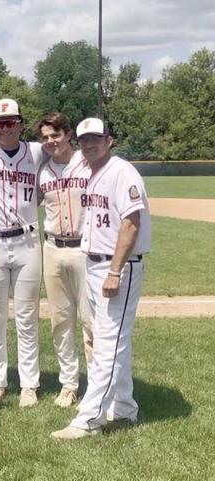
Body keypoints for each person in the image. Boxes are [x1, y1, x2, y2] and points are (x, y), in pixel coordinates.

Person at [51, 118, 151, 439]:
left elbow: (131, 223)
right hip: (94, 264)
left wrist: (115, 270)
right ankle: (123, 407)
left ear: (109, 140)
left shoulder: (122, 172)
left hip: (116, 266)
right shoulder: (92, 173)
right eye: (84, 140)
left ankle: (88, 419)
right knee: (116, 340)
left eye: (96, 138)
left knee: (108, 343)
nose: (89, 144)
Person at [0, 98, 45, 407]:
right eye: (0, 123)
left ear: (21, 124)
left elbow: (67, 158)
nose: (5, 128)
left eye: (11, 122)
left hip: (27, 243)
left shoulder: (38, 152)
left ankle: (29, 384)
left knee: (27, 317)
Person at [36, 112, 93, 407]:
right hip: (53, 248)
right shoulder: (42, 172)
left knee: (90, 321)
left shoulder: (89, 164)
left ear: (68, 134)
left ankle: (97, 386)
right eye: (45, 137)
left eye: (55, 135)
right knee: (60, 320)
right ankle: (69, 384)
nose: (50, 141)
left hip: (85, 249)